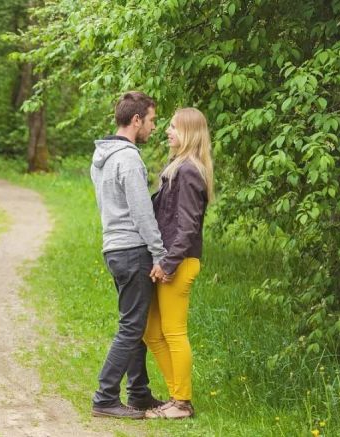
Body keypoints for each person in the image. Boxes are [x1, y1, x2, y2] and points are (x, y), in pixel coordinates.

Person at [90, 91, 169, 419]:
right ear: (136, 120)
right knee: (130, 327)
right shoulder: (128, 158)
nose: (153, 127)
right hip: (133, 251)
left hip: (114, 248)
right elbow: (140, 212)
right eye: (151, 120)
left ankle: (138, 393)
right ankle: (105, 396)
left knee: (133, 324)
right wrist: (160, 253)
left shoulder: (103, 157)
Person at [143, 107, 214, 419]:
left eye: (173, 127)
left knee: (173, 332)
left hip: (179, 263)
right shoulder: (178, 166)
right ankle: (177, 396)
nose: (167, 131)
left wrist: (168, 263)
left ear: (188, 133)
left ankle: (181, 403)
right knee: (151, 332)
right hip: (172, 260)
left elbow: (187, 227)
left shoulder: (187, 171)